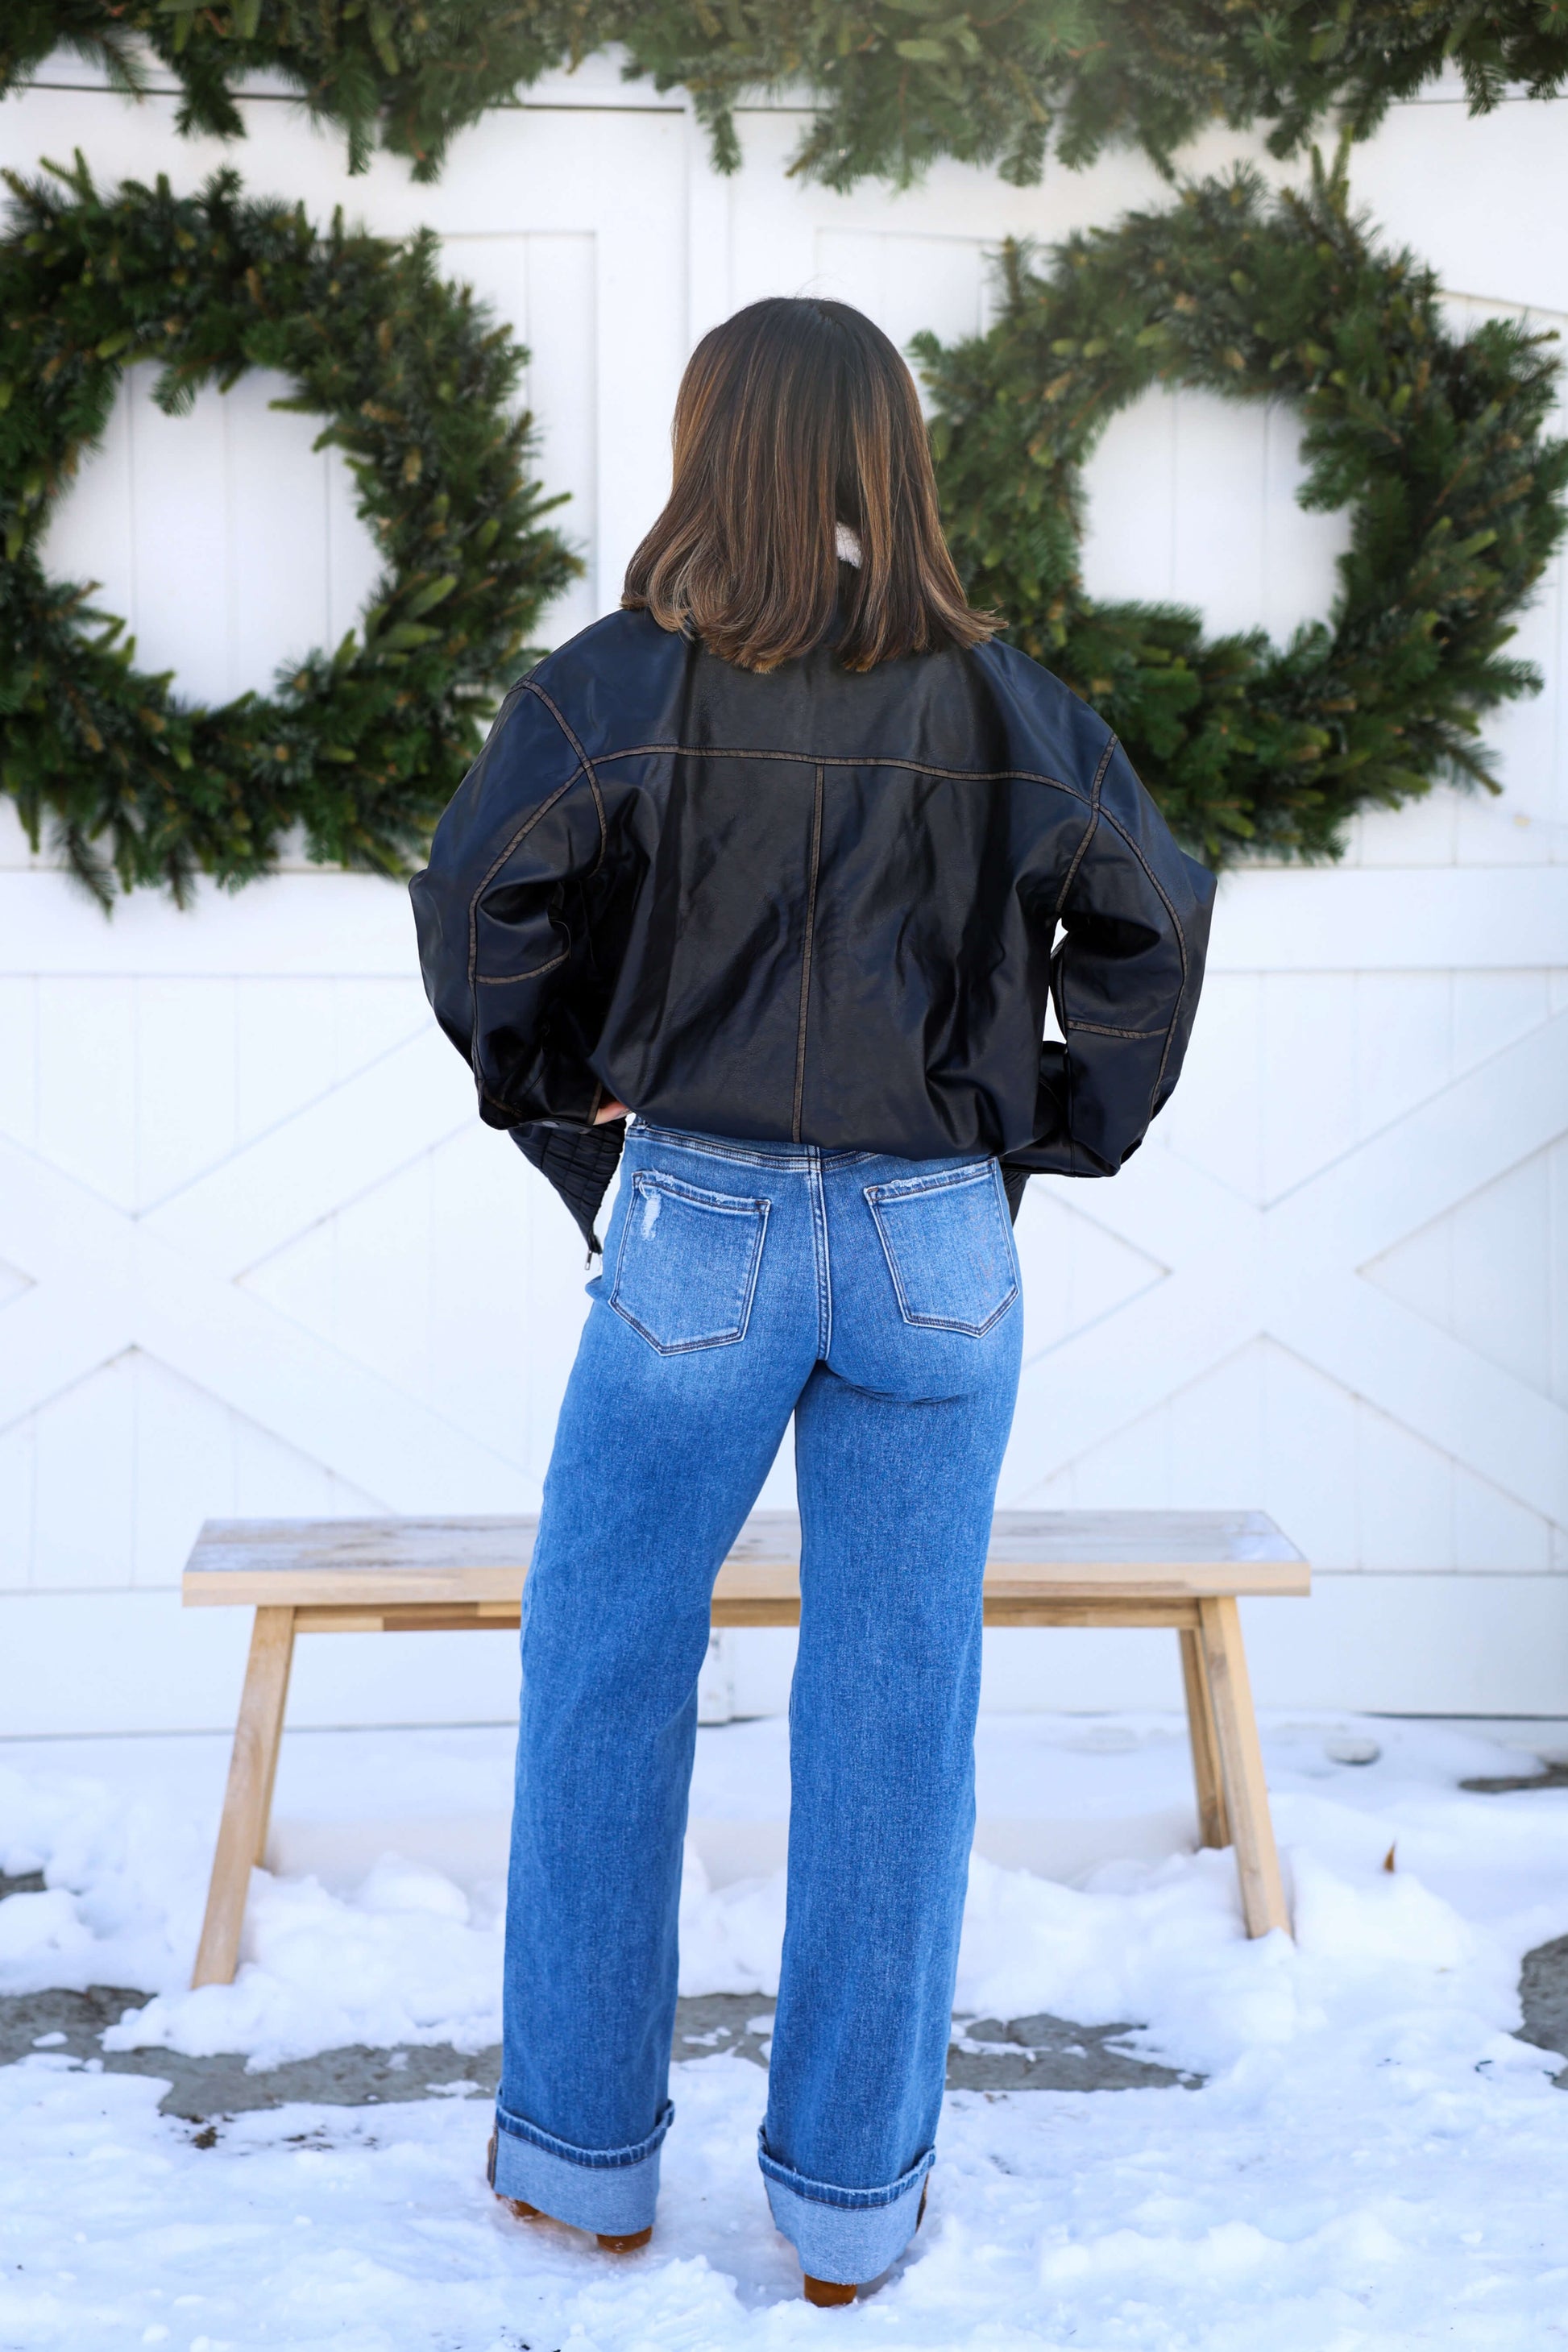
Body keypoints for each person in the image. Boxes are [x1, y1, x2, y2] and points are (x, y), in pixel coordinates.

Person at [411, 296, 1214, 2304]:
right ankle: (854, 2210)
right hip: (938, 1249)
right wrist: (1026, 1130)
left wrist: (578, 1116)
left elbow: (473, 903)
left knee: (603, 1671)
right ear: (891, 455)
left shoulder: (610, 685)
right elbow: (1150, 915)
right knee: (894, 1706)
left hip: (698, 1232)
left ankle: (582, 2170)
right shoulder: (1008, 700)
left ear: (714, 448)